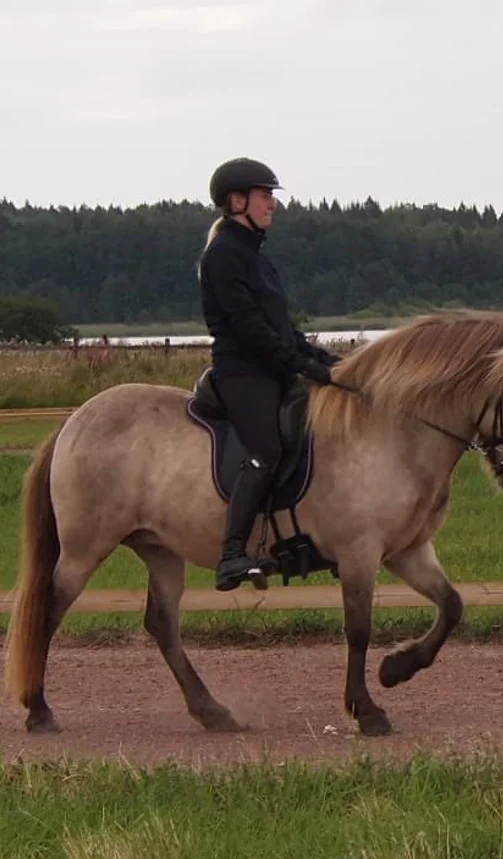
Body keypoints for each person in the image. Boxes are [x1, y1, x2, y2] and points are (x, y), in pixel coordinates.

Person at [198, 157, 341, 591]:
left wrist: (324, 359)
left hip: (271, 369)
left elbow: (281, 328)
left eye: (271, 197)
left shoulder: (259, 259)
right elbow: (250, 330)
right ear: (237, 201)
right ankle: (232, 554)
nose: (272, 205)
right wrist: (299, 365)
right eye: (265, 196)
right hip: (242, 374)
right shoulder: (223, 256)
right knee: (266, 449)